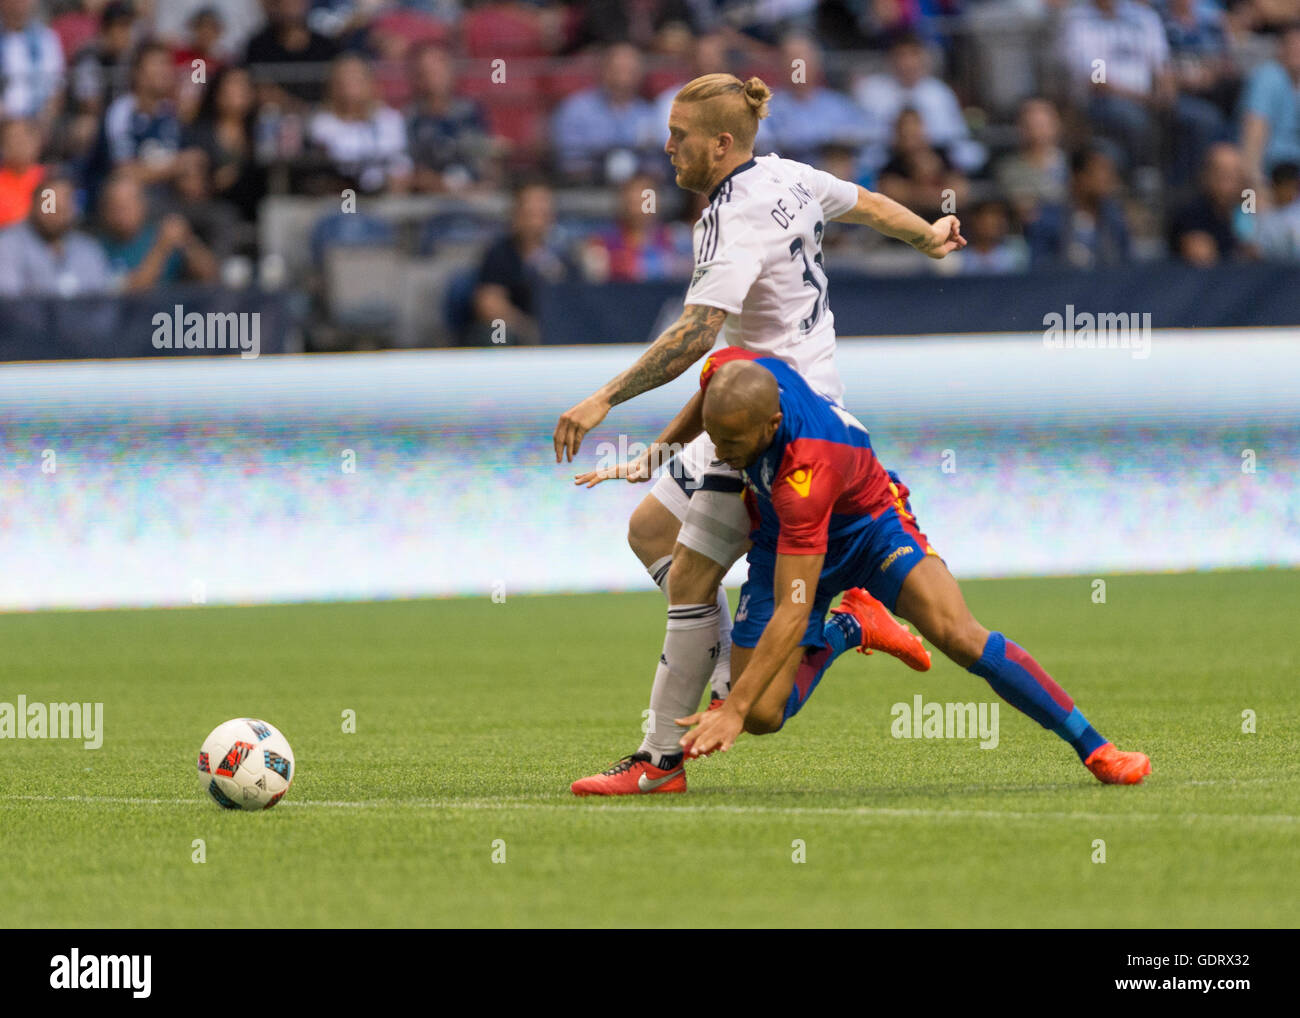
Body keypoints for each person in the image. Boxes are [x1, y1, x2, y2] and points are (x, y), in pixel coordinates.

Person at [553, 72, 965, 795]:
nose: (666, 146)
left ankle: (659, 762)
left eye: (678, 137)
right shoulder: (787, 176)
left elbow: (696, 334)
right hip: (770, 401)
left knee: (691, 580)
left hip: (774, 425)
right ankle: (821, 635)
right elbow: (864, 204)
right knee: (652, 533)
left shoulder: (733, 215)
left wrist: (604, 399)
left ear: (719, 144)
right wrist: (926, 235)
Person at [637, 349, 1152, 789]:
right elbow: (710, 404)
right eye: (715, 439)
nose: (721, 456)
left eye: (732, 445)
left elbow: (793, 613)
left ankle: (1096, 748)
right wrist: (662, 451)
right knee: (764, 715)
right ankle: (850, 626)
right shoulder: (729, 374)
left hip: (870, 527)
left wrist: (731, 707)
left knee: (959, 634)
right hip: (784, 542)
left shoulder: (807, 470)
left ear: (772, 425)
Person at [466, 179, 568, 346]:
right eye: (530, 212)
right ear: (516, 214)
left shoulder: (564, 254)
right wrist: (527, 328)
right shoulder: (500, 253)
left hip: (556, 329)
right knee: (496, 332)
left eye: (542, 211)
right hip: (514, 329)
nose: (536, 219)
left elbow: (577, 298)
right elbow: (488, 302)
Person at [307, 53, 411, 195]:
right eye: (343, 80)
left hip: (385, 194)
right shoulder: (321, 123)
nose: (349, 86)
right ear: (332, 86)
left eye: (356, 79)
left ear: (370, 83)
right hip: (341, 195)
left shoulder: (390, 119)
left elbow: (397, 160)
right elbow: (334, 162)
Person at [0, 172, 113, 296]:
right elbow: (9, 306)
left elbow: (101, 305)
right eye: (49, 205)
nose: (55, 213)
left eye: (62, 208)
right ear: (34, 204)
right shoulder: (8, 245)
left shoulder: (89, 250)